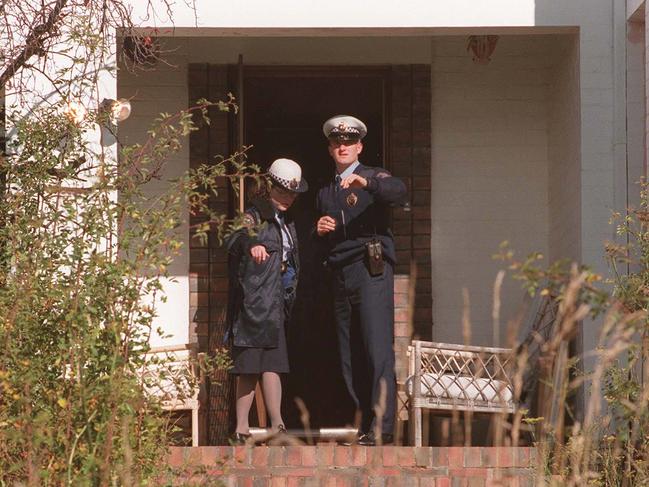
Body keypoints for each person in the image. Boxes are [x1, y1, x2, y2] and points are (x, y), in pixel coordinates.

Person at [315, 115, 407, 446]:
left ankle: (383, 428)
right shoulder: (326, 190)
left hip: (371, 271)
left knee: (376, 349)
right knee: (350, 354)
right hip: (341, 274)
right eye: (337, 143)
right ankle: (367, 423)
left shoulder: (372, 176)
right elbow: (324, 241)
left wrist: (367, 184)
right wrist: (320, 231)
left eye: (349, 142)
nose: (343, 146)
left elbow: (399, 191)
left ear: (359, 147)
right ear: (330, 148)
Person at [225, 158, 308, 445]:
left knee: (274, 364)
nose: (288, 198)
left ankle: (278, 425)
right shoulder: (254, 214)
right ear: (270, 187)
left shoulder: (287, 221)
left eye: (292, 194)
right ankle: (242, 427)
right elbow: (233, 238)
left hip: (275, 303)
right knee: (249, 367)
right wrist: (253, 244)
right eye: (283, 192)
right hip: (253, 304)